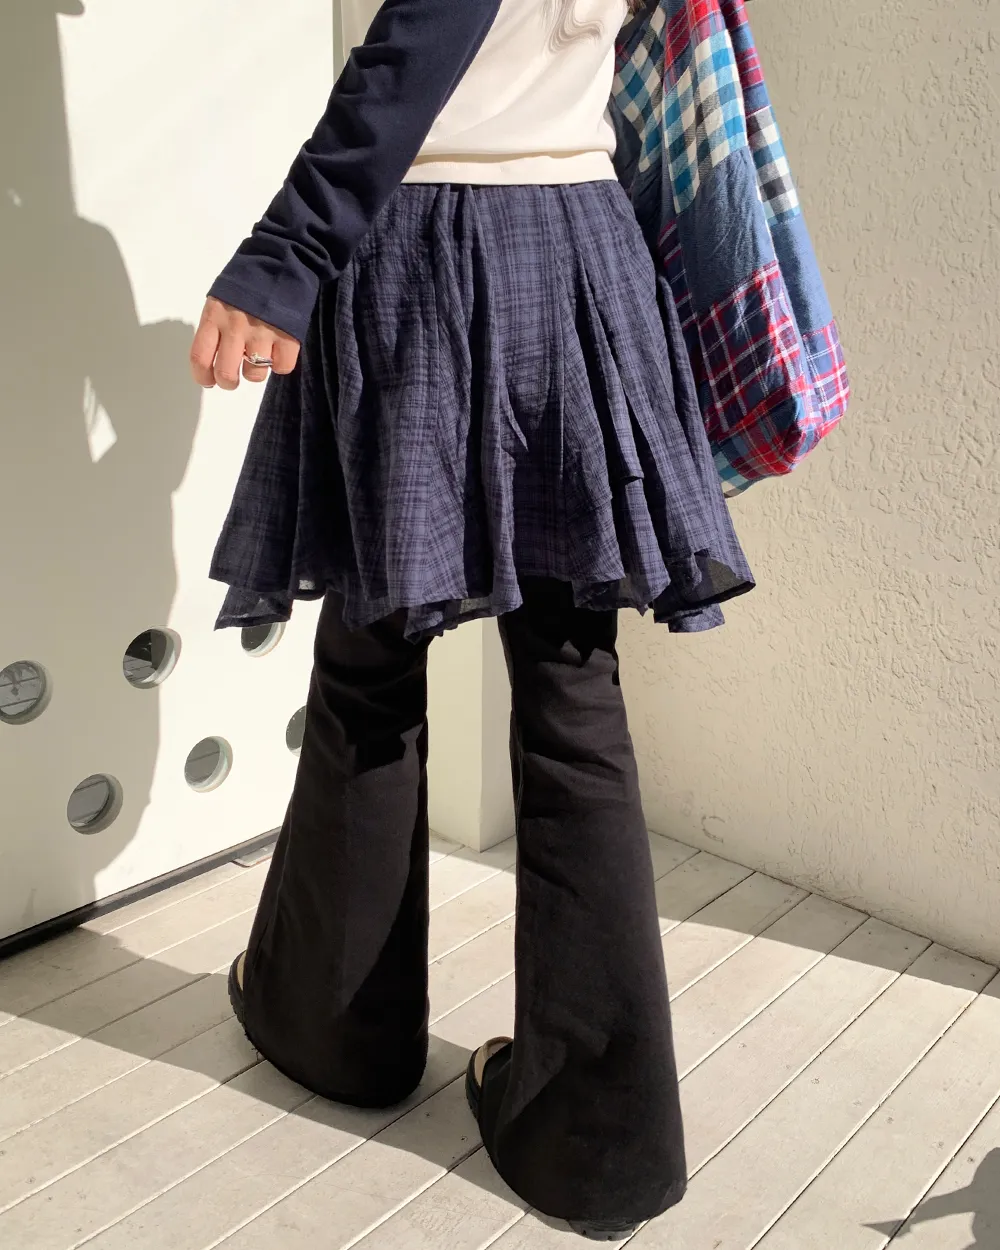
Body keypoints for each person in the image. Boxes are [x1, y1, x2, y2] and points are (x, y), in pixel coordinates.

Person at [190, 0, 754, 1238]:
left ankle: (337, 1030)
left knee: (373, 664)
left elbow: (425, 36)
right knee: (571, 686)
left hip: (426, 244)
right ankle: (602, 1143)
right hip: (582, 242)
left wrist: (287, 248)